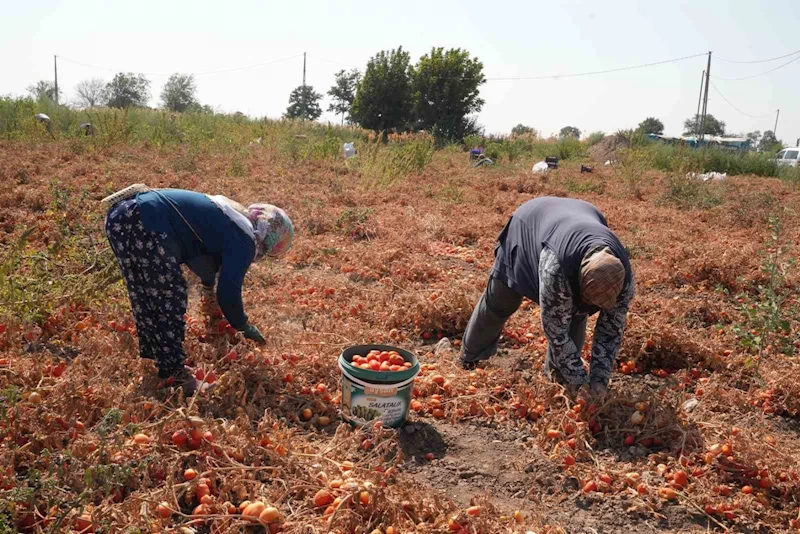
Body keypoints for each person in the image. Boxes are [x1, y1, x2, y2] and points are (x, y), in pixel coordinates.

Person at [104, 188, 293, 395]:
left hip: (122, 217)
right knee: (169, 297)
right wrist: (243, 325)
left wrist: (207, 288)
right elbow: (228, 292)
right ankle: (174, 375)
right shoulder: (245, 240)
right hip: (145, 221)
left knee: (147, 294)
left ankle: (165, 363)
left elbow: (203, 258)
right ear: (270, 237)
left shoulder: (232, 218)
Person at [458, 197, 634, 400]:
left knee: (576, 316)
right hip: (528, 226)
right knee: (502, 301)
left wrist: (598, 382)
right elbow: (556, 331)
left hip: (576, 219)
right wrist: (580, 379)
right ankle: (471, 358)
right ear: (578, 279)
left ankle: (559, 383)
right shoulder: (556, 269)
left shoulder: (624, 281)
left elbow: (610, 333)